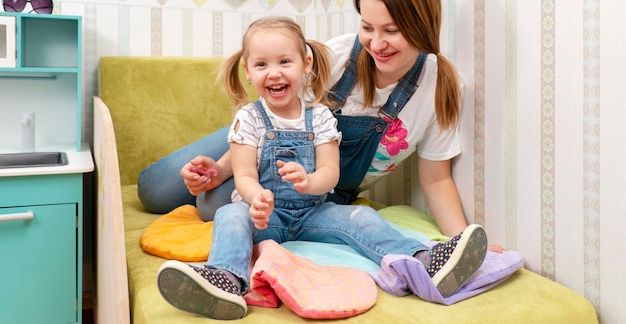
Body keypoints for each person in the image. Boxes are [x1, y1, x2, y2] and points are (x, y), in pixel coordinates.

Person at [155, 16, 488, 320]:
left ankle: (423, 260)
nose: (274, 72)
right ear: (248, 70)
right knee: (229, 215)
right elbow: (243, 173)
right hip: (267, 217)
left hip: (313, 212)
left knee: (365, 217)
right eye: (261, 64)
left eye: (285, 62)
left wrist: (310, 181)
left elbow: (332, 172)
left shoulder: (322, 117)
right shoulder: (248, 118)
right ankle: (226, 279)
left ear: (306, 63)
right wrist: (256, 199)